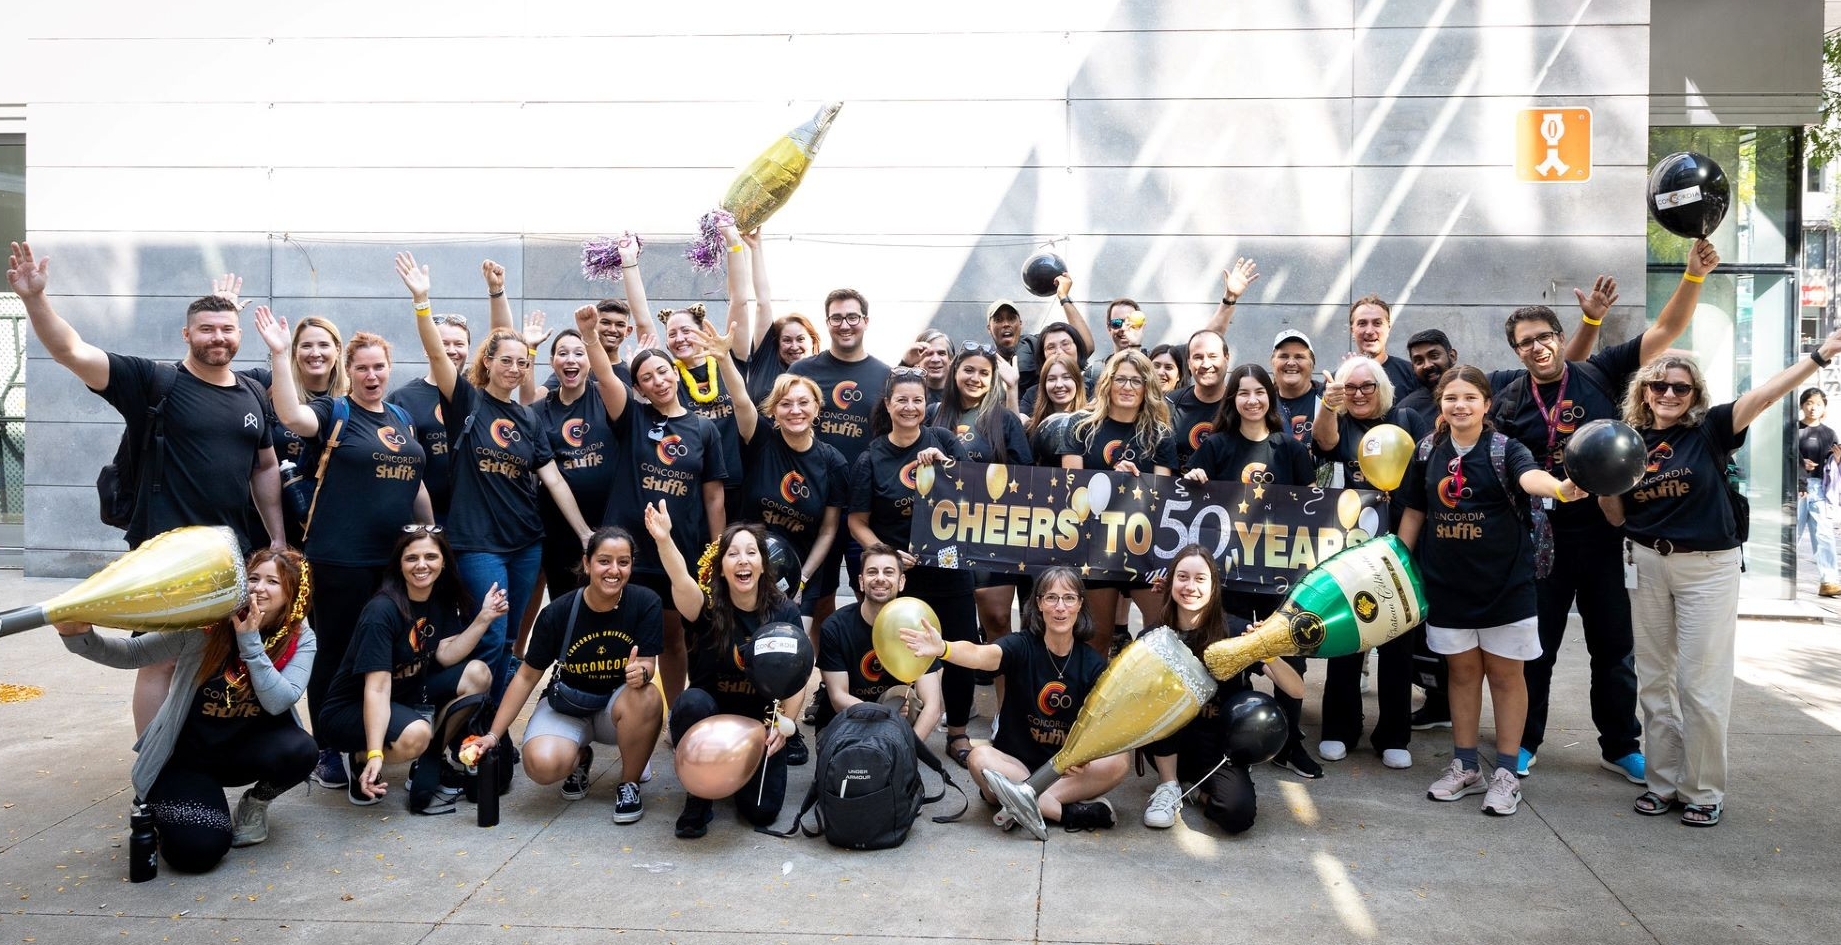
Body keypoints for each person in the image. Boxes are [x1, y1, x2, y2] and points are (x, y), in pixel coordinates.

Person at [9, 242, 285, 735]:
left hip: (232, 553)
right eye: (206, 329)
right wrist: (34, 299)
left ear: (240, 335)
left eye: (226, 329)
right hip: (165, 554)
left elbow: (264, 466)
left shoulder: (249, 392)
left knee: (225, 655)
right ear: (186, 334)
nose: (217, 337)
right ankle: (153, 781)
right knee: (158, 662)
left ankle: (202, 760)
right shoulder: (153, 381)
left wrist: (277, 538)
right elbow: (72, 351)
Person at [1602, 331, 1841, 826]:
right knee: (1654, 681)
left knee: (1700, 684)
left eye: (1680, 388)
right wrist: (1602, 482)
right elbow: (1616, 516)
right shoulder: (1628, 440)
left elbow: (1768, 393)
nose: (1668, 394)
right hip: (1645, 562)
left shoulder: (1710, 428)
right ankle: (1662, 783)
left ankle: (1703, 790)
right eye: (1658, 386)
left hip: (1707, 568)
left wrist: (1823, 353)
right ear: (1643, 391)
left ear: (1695, 395)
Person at [1492, 251, 1713, 781]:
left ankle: (1620, 745)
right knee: (1535, 650)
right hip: (1541, 544)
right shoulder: (1508, 400)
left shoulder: (1600, 372)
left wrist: (1694, 276)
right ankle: (1525, 740)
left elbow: (1667, 328)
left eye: (1545, 335)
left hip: (1605, 534)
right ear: (1516, 350)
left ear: (1558, 335)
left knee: (1614, 649)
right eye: (1526, 341)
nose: (1538, 346)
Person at [398, 252, 593, 703]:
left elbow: (555, 480)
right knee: (489, 633)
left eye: (523, 363)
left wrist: (584, 532)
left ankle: (495, 734)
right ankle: (476, 727)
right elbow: (434, 350)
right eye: (506, 360)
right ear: (488, 362)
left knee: (508, 643)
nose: (515, 368)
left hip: (526, 543)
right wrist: (422, 302)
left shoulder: (528, 418)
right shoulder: (465, 401)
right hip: (478, 545)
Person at [258, 312, 434, 790]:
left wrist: (430, 533)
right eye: (363, 368)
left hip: (390, 562)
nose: (372, 376)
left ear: (388, 368)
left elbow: (415, 482)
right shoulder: (334, 412)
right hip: (338, 559)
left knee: (380, 655)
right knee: (336, 655)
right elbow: (292, 415)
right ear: (349, 371)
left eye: (379, 367)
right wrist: (279, 353)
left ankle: (368, 738)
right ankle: (329, 750)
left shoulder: (399, 417)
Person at [57, 549, 317, 871]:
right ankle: (167, 808)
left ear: (292, 594)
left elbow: (280, 700)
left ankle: (255, 804)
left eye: (272, 581)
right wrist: (79, 636)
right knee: (198, 852)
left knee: (302, 750)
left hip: (245, 751)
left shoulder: (299, 638)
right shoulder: (207, 627)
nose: (258, 588)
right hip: (187, 759)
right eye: (252, 578)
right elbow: (133, 654)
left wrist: (249, 641)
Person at [1398, 366, 1584, 817]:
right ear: (1440, 405)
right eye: (1450, 398)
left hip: (1506, 587)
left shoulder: (1506, 449)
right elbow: (1415, 512)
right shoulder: (1427, 450)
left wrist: (1559, 487)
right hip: (1447, 587)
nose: (1459, 406)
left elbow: (1530, 479)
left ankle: (1505, 772)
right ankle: (1465, 766)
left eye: (1469, 398)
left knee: (1505, 678)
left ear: (1486, 404)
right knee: (1461, 676)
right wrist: (1398, 564)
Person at [898, 567, 1124, 831]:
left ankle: (1018, 801)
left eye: (1069, 598)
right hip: (1012, 764)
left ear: (1080, 605)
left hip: (1062, 771)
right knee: (979, 757)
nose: (1060, 607)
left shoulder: (1092, 663)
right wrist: (943, 648)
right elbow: (979, 654)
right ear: (1039, 603)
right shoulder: (1021, 646)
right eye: (1051, 598)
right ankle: (1067, 813)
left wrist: (1084, 756)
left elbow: (1105, 728)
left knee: (1118, 761)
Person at [474, 527, 665, 822]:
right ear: (587, 564)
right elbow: (526, 676)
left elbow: (649, 663)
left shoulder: (645, 602)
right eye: (604, 561)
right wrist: (493, 735)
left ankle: (629, 783)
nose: (614, 570)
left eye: (623, 562)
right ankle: (580, 758)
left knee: (649, 696)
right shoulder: (559, 612)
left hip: (617, 710)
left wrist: (641, 672)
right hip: (569, 706)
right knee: (540, 765)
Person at [318, 527, 505, 810]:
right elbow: (377, 688)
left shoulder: (439, 598)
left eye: (431, 556)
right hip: (351, 708)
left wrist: (483, 618)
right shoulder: (381, 611)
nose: (421, 565)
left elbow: (444, 655)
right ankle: (357, 759)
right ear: (399, 564)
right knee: (416, 735)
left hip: (406, 691)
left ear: (443, 562)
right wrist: (374, 753)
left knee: (478, 673)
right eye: (411, 558)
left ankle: (428, 763)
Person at [645, 506, 802, 839]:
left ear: (762, 564)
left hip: (760, 726)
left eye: (750, 553)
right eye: (733, 554)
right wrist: (664, 540)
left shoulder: (784, 610)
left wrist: (783, 726)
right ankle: (699, 796)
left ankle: (738, 773)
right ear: (722, 567)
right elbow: (681, 581)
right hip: (710, 719)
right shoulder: (709, 607)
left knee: (761, 812)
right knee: (690, 702)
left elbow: (796, 676)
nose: (742, 560)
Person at [848, 369, 978, 766]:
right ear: (887, 405)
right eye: (901, 400)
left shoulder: (943, 442)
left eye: (917, 400)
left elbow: (974, 494)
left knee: (957, 650)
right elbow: (856, 521)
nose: (909, 407)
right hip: (903, 579)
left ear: (927, 405)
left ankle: (957, 733)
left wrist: (946, 465)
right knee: (905, 652)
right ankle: (900, 728)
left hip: (951, 568)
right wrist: (885, 553)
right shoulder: (871, 458)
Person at [1310, 355, 1431, 769]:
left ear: (1382, 388)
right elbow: (1323, 443)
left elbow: (1420, 480)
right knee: (1346, 640)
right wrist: (1329, 404)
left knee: (1398, 645)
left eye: (1367, 387)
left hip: (1400, 547)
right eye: (1350, 388)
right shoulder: (1337, 421)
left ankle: (1394, 735)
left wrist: (1404, 551)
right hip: (1348, 553)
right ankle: (1339, 728)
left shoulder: (1407, 418)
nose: (1358, 394)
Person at [1141, 545, 1305, 833]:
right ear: (1170, 583)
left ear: (1214, 587)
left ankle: (1194, 791)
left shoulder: (1235, 632)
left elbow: (1296, 689)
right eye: (1182, 577)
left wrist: (1265, 649)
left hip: (1219, 748)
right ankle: (1168, 786)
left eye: (1200, 579)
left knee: (1237, 815)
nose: (1190, 586)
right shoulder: (1153, 637)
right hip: (1168, 747)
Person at [1058, 349, 1176, 655]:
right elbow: (1072, 492)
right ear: (1108, 383)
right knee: (1097, 638)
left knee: (1161, 631)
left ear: (1147, 387)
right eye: (1120, 378)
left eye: (1136, 380)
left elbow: (1162, 499)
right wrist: (1111, 481)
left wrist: (1138, 485)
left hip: (1143, 546)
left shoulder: (1159, 435)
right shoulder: (1080, 427)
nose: (1127, 386)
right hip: (1096, 547)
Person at [790, 288, 895, 626]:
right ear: (827, 323)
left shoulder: (885, 375)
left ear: (865, 321)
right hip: (812, 502)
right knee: (818, 598)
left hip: (865, 506)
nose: (845, 325)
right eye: (837, 318)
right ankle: (824, 674)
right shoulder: (802, 370)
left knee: (875, 595)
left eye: (852, 317)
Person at [929, 344, 1033, 674]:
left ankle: (1004, 711)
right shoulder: (932, 414)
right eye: (968, 370)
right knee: (952, 625)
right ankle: (958, 706)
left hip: (993, 531)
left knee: (997, 619)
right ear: (954, 372)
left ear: (993, 380)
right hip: (941, 532)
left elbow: (1025, 476)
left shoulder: (1005, 420)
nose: (975, 378)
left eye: (984, 373)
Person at [737, 375, 850, 623]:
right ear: (774, 410)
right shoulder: (761, 440)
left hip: (802, 573)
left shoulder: (834, 463)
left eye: (803, 402)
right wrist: (724, 360)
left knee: (794, 649)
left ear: (816, 408)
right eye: (785, 403)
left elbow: (828, 531)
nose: (795, 411)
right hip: (747, 568)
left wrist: (802, 580)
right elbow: (740, 400)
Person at [815, 544, 944, 738]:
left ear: (901, 582)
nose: (880, 579)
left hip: (898, 722)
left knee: (905, 698)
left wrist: (908, 753)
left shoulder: (917, 624)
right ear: (861, 581)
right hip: (844, 725)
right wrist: (882, 712)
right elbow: (838, 698)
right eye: (872, 572)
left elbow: (932, 706)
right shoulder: (835, 627)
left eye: (889, 572)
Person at [531, 329, 617, 606]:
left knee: (611, 600)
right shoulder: (539, 410)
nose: (571, 360)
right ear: (552, 362)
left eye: (579, 353)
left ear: (590, 360)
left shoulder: (606, 397)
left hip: (610, 522)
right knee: (566, 602)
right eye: (563, 353)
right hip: (558, 528)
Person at [388, 311, 471, 523]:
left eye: (459, 344)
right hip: (421, 516)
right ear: (428, 348)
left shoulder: (478, 396)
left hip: (474, 518)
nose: (452, 351)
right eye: (443, 343)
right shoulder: (402, 399)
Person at [1183, 364, 1314, 488]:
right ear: (1232, 399)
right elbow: (1190, 497)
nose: (1252, 401)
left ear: (1270, 397)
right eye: (1244, 393)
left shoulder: (1293, 449)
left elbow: (1312, 501)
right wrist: (1192, 480)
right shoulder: (1213, 446)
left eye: (1259, 392)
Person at [1796, 388, 1840, 597]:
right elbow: (1784, 456)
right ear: (1802, 405)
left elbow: (1832, 465)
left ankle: (1829, 581)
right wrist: (1801, 464)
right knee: (1790, 535)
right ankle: (1778, 581)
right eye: (1809, 403)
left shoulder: (1829, 433)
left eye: (1818, 404)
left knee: (1824, 535)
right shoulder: (1793, 430)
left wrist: (1838, 460)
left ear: (1824, 407)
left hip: (1819, 489)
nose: (1813, 407)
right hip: (1797, 489)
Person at [1170, 330, 1231, 470]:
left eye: (1213, 356)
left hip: (1227, 491)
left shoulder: (1241, 404)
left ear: (1226, 358)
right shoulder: (1171, 403)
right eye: (1198, 357)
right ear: (1189, 363)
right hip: (1176, 490)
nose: (1206, 364)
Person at [1347, 294, 1419, 400]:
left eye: (1377, 323)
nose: (1370, 331)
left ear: (1388, 328)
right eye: (1362, 323)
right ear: (1352, 330)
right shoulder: (1338, 379)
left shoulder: (1411, 374)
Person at [1025, 354, 1088, 465]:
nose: (1059, 385)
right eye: (1052, 379)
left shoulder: (1092, 427)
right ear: (1044, 385)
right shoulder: (1029, 430)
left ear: (1077, 382)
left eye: (1066, 377)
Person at [1269, 330, 1325, 453]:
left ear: (1312, 364)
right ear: (1272, 363)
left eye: (1299, 357)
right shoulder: (1263, 403)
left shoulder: (1326, 398)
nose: (1291, 362)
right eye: (1283, 356)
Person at [909, 327, 953, 406]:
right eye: (929, 354)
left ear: (951, 359)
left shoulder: (962, 395)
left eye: (941, 353)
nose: (935, 360)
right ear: (916, 361)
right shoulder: (907, 396)